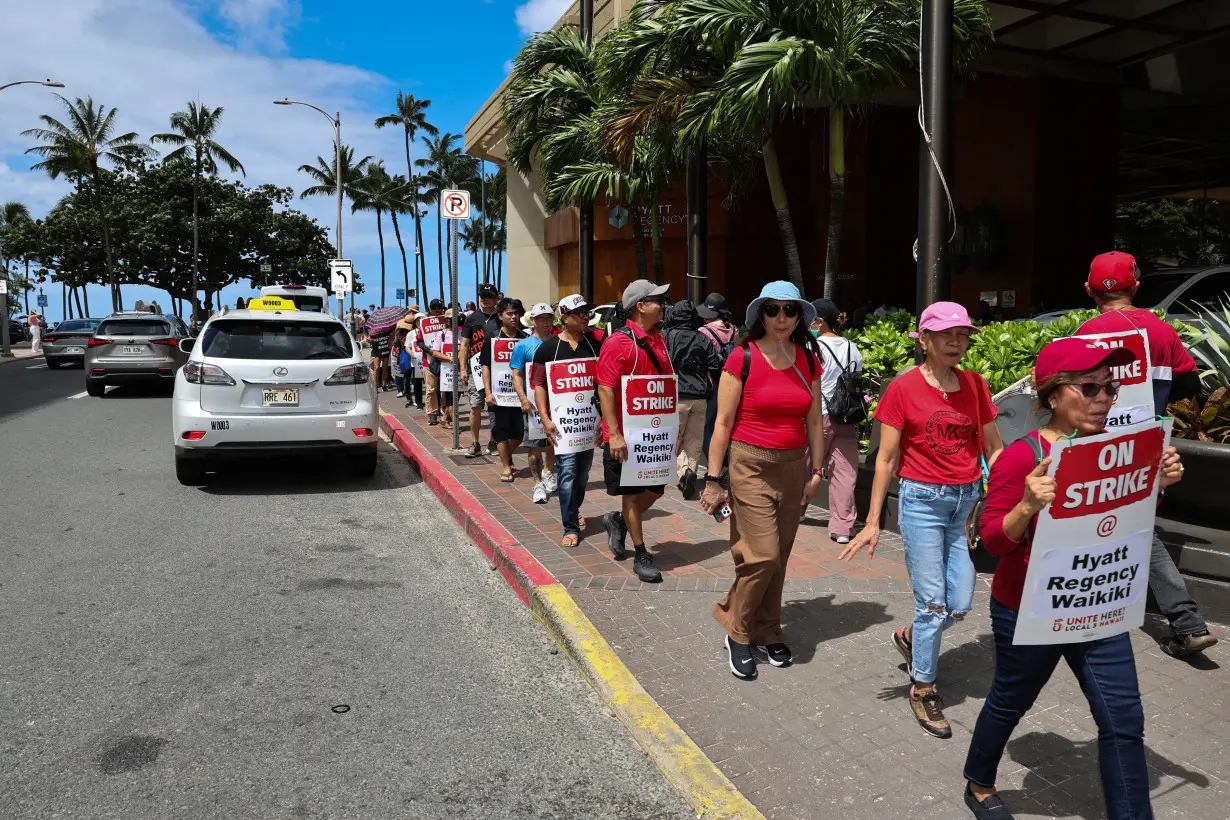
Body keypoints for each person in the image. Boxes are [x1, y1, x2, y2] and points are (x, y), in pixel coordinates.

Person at [962, 337, 1183, 820]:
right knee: (1008, 701)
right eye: (1089, 387)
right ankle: (978, 781)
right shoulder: (1022, 457)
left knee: (1123, 721)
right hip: (1029, 611)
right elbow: (992, 541)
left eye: (1111, 387)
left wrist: (1156, 486)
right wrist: (1027, 505)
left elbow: (1126, 521)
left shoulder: (1117, 450)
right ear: (1054, 394)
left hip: (1099, 605)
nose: (1104, 398)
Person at [841, 301, 1004, 739]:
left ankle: (913, 636)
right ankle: (923, 686)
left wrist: (1015, 490)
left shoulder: (974, 385)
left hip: (966, 504)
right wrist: (873, 519)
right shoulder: (903, 389)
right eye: (946, 334)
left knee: (962, 603)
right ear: (925, 340)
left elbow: (995, 448)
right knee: (933, 603)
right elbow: (886, 458)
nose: (956, 342)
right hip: (923, 504)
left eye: (963, 335)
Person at [1077, 251, 1217, 658]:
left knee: (1129, 528)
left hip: (1097, 447)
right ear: (1136, 286)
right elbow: (1190, 383)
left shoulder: (1086, 333)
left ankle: (1187, 623)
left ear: (1089, 290)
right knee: (1131, 525)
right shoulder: (1161, 331)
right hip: (1147, 445)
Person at [701, 282, 826, 681]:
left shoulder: (808, 359)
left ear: (799, 316)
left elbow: (814, 422)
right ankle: (737, 630)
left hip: (794, 466)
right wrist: (712, 479)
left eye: (789, 310)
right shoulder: (742, 357)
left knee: (781, 555)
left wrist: (817, 471)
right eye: (773, 310)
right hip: (749, 463)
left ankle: (768, 628)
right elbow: (721, 423)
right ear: (760, 315)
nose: (781, 318)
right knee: (762, 555)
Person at [596, 280, 674, 583]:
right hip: (626, 436)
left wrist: (671, 431)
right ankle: (641, 553)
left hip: (654, 435)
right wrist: (614, 434)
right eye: (658, 300)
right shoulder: (618, 342)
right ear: (640, 306)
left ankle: (618, 522)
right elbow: (604, 388)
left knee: (655, 490)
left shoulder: (660, 339)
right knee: (631, 493)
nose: (663, 304)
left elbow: (665, 386)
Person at [533, 294, 602, 547]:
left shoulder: (595, 346)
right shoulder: (548, 348)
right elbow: (538, 384)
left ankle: (573, 507)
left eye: (586, 311)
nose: (585, 316)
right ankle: (570, 526)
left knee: (582, 475)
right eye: (579, 312)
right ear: (564, 318)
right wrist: (545, 418)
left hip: (589, 426)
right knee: (567, 472)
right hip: (563, 427)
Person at [811, 298, 863, 544]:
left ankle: (792, 510)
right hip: (845, 414)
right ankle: (842, 528)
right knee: (844, 471)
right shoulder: (853, 347)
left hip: (818, 415)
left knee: (804, 465)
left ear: (820, 322)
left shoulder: (813, 348)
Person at [664, 299, 724, 500]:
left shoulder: (667, 337)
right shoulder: (703, 338)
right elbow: (716, 365)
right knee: (694, 440)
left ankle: (684, 474)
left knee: (675, 438)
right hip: (700, 396)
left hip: (675, 396)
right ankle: (691, 470)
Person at [511, 302, 559, 504]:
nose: (546, 322)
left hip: (556, 402)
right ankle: (537, 483)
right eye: (541, 318)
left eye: (548, 318)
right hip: (532, 404)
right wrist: (522, 398)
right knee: (534, 446)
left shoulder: (558, 343)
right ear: (533, 321)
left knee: (553, 441)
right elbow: (516, 374)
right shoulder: (523, 345)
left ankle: (548, 471)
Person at [482, 298, 528, 482]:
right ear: (500, 316)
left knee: (519, 434)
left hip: (520, 396)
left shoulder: (525, 338)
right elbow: (485, 365)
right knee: (501, 431)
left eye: (516, 313)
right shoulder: (492, 337)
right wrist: (487, 392)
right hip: (498, 395)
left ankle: (505, 453)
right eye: (509, 313)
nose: (513, 317)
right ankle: (506, 467)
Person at [697, 293, 738, 465]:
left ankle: (716, 464)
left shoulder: (703, 332)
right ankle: (728, 461)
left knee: (709, 425)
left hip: (712, 383)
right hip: (733, 382)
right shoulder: (734, 330)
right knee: (727, 423)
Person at [460, 284, 501, 458]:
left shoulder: (501, 318)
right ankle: (475, 443)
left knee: (496, 407)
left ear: (496, 298)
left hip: (496, 369)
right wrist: (462, 368)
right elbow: (464, 344)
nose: (484, 299)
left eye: (488, 296)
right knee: (475, 406)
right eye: (482, 296)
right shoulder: (472, 318)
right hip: (475, 371)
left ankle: (493, 440)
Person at [419, 299, 447, 425]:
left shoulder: (447, 321)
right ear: (430, 309)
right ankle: (432, 413)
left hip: (445, 360)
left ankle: (446, 412)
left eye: (438, 307)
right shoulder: (423, 324)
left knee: (446, 388)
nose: (436, 310)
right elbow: (419, 342)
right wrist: (430, 351)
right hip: (428, 362)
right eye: (433, 307)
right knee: (431, 389)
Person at [428, 311, 456, 430]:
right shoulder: (441, 334)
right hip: (446, 370)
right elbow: (434, 352)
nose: (452, 320)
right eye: (449, 318)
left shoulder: (461, 332)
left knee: (457, 395)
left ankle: (445, 418)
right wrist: (450, 358)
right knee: (450, 396)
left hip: (459, 369)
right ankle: (454, 424)